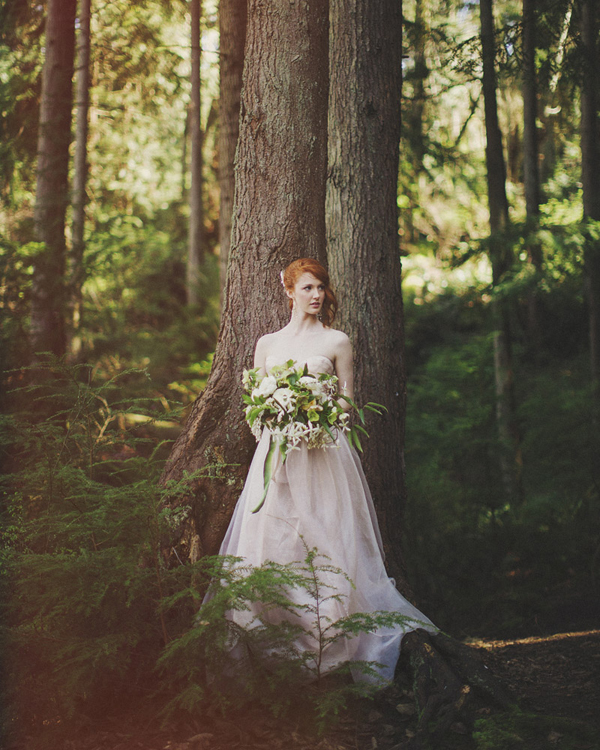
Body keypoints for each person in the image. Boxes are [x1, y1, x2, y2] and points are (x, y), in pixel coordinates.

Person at [215, 257, 435, 683]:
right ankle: (272, 632)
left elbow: (348, 404)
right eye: (308, 288)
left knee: (326, 534)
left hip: (322, 456)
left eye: (320, 288)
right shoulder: (267, 344)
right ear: (289, 291)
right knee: (273, 535)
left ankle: (332, 635)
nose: (316, 296)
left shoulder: (337, 341)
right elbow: (254, 408)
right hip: (277, 456)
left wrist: (316, 419)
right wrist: (277, 419)